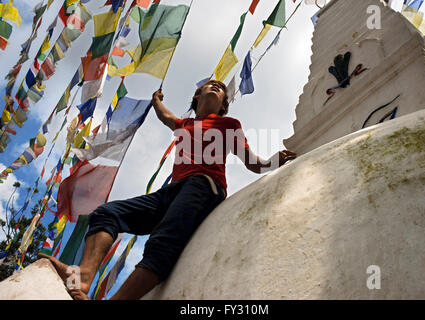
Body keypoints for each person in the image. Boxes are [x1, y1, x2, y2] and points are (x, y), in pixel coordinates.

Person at [38, 80, 297, 300]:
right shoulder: (184, 125)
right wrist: (156, 100)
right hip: (172, 191)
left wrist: (275, 160)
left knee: (162, 243)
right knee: (106, 213)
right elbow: (166, 116)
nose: (217, 86)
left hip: (203, 185)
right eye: (211, 84)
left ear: (223, 105)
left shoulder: (229, 125)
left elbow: (252, 162)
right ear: (197, 97)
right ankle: (83, 278)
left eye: (221, 90)